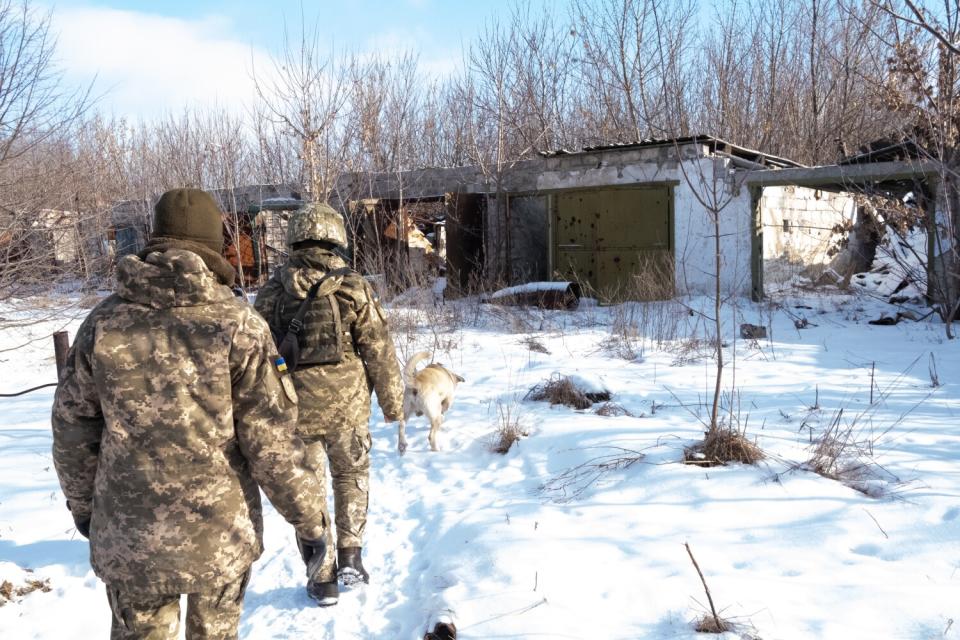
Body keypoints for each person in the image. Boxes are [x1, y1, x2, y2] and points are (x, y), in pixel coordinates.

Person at [52, 188, 329, 639]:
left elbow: (72, 428)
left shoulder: (103, 323)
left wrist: (85, 508)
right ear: (214, 245)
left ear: (155, 239)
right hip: (219, 535)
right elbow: (271, 443)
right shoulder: (238, 326)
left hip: (131, 536)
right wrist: (310, 520)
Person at [254, 202, 403, 606]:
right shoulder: (354, 287)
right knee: (350, 476)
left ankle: (322, 577)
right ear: (336, 236)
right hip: (348, 408)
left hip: (294, 410)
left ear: (295, 238)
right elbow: (379, 348)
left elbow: (256, 355)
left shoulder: (270, 292)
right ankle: (352, 556)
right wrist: (391, 402)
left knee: (308, 489)